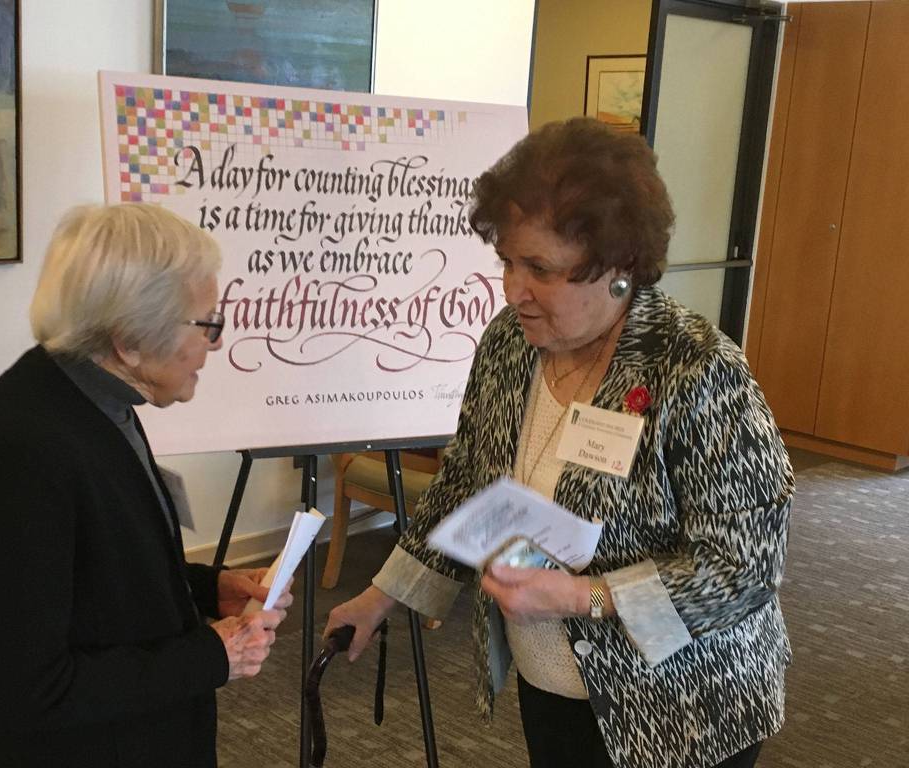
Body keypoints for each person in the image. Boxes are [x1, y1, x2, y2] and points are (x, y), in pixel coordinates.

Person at [326, 118, 793, 768]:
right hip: (553, 682)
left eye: (540, 268)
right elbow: (467, 480)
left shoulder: (694, 371)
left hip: (679, 699)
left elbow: (743, 570)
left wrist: (580, 597)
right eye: (508, 261)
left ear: (621, 268)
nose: (513, 290)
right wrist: (386, 593)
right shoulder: (510, 342)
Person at [0, 204, 292, 768]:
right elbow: (29, 689)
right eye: (207, 324)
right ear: (129, 339)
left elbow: (93, 577)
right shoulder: (23, 449)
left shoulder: (91, 401)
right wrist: (210, 655)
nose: (216, 344)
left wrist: (204, 588)